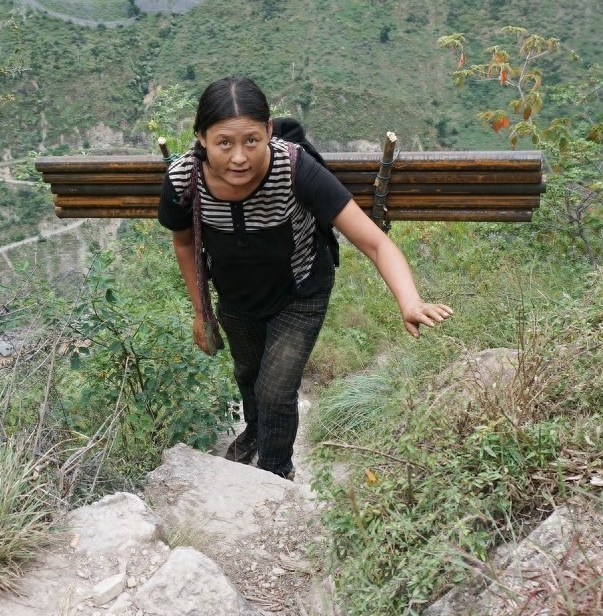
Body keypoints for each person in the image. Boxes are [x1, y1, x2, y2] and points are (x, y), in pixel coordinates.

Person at [157, 76, 453, 480]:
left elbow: (375, 243)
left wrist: (410, 301)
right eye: (224, 142)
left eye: (251, 141)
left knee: (275, 389)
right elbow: (185, 244)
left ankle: (276, 474)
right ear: (202, 139)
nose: (239, 157)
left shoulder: (295, 168)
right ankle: (256, 433)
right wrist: (201, 310)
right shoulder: (182, 180)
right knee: (247, 374)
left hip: (300, 290)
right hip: (236, 296)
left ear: (268, 133)